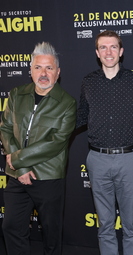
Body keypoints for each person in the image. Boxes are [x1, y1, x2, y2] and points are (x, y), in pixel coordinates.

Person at [0, 42, 76, 255]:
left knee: (51, 234)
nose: (44, 73)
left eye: (49, 68)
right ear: (30, 71)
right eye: (38, 67)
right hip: (17, 176)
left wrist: (17, 160)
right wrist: (20, 168)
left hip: (48, 176)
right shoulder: (16, 94)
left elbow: (56, 142)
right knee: (11, 227)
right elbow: (5, 128)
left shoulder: (67, 103)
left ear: (58, 72)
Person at [76, 30, 133, 255]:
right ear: (97, 53)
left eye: (113, 46)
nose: (108, 51)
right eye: (103, 47)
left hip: (128, 159)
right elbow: (81, 116)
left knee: (131, 225)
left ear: (121, 51)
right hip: (97, 160)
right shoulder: (88, 82)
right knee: (105, 225)